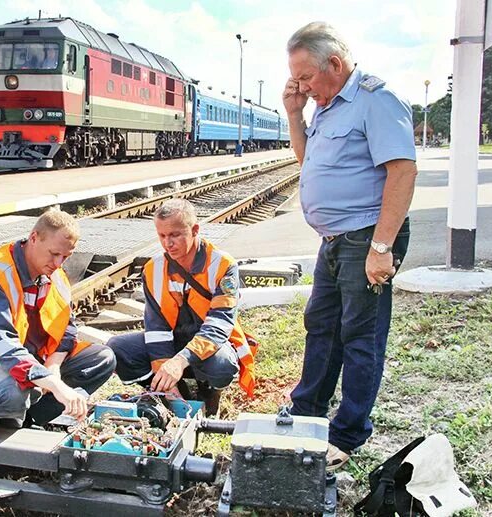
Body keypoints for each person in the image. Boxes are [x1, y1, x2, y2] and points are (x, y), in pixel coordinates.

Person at [281, 22, 417, 470]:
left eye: (305, 78)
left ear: (335, 64)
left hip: (366, 238)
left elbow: (401, 172)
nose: (301, 86)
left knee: (361, 336)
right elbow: (310, 161)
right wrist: (295, 113)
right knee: (321, 326)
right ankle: (307, 413)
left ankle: (347, 433)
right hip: (335, 241)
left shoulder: (375, 100)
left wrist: (382, 246)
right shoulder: (325, 106)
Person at [0, 209, 117, 435]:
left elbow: (66, 329)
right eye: (54, 254)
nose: (59, 263)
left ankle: (31, 420)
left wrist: (53, 369)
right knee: (12, 390)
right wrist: (54, 384)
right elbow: (3, 347)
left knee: (102, 358)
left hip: (33, 363)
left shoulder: (55, 275)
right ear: (34, 238)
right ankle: (5, 426)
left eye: (66, 257)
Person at [107, 199, 257, 416]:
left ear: (195, 230)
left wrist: (180, 360)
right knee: (118, 348)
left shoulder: (223, 265)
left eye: (175, 235)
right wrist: (165, 372)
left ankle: (210, 390)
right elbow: (156, 328)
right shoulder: (153, 269)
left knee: (222, 365)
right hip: (175, 339)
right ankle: (166, 389)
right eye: (162, 236)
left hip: (210, 342)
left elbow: (218, 326)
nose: (168, 243)